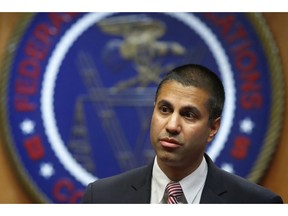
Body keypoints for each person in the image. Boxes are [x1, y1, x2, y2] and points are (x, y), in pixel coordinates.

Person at [81, 64, 283, 204]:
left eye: (188, 115)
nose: (172, 125)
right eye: (165, 110)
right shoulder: (101, 197)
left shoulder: (257, 205)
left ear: (213, 128)